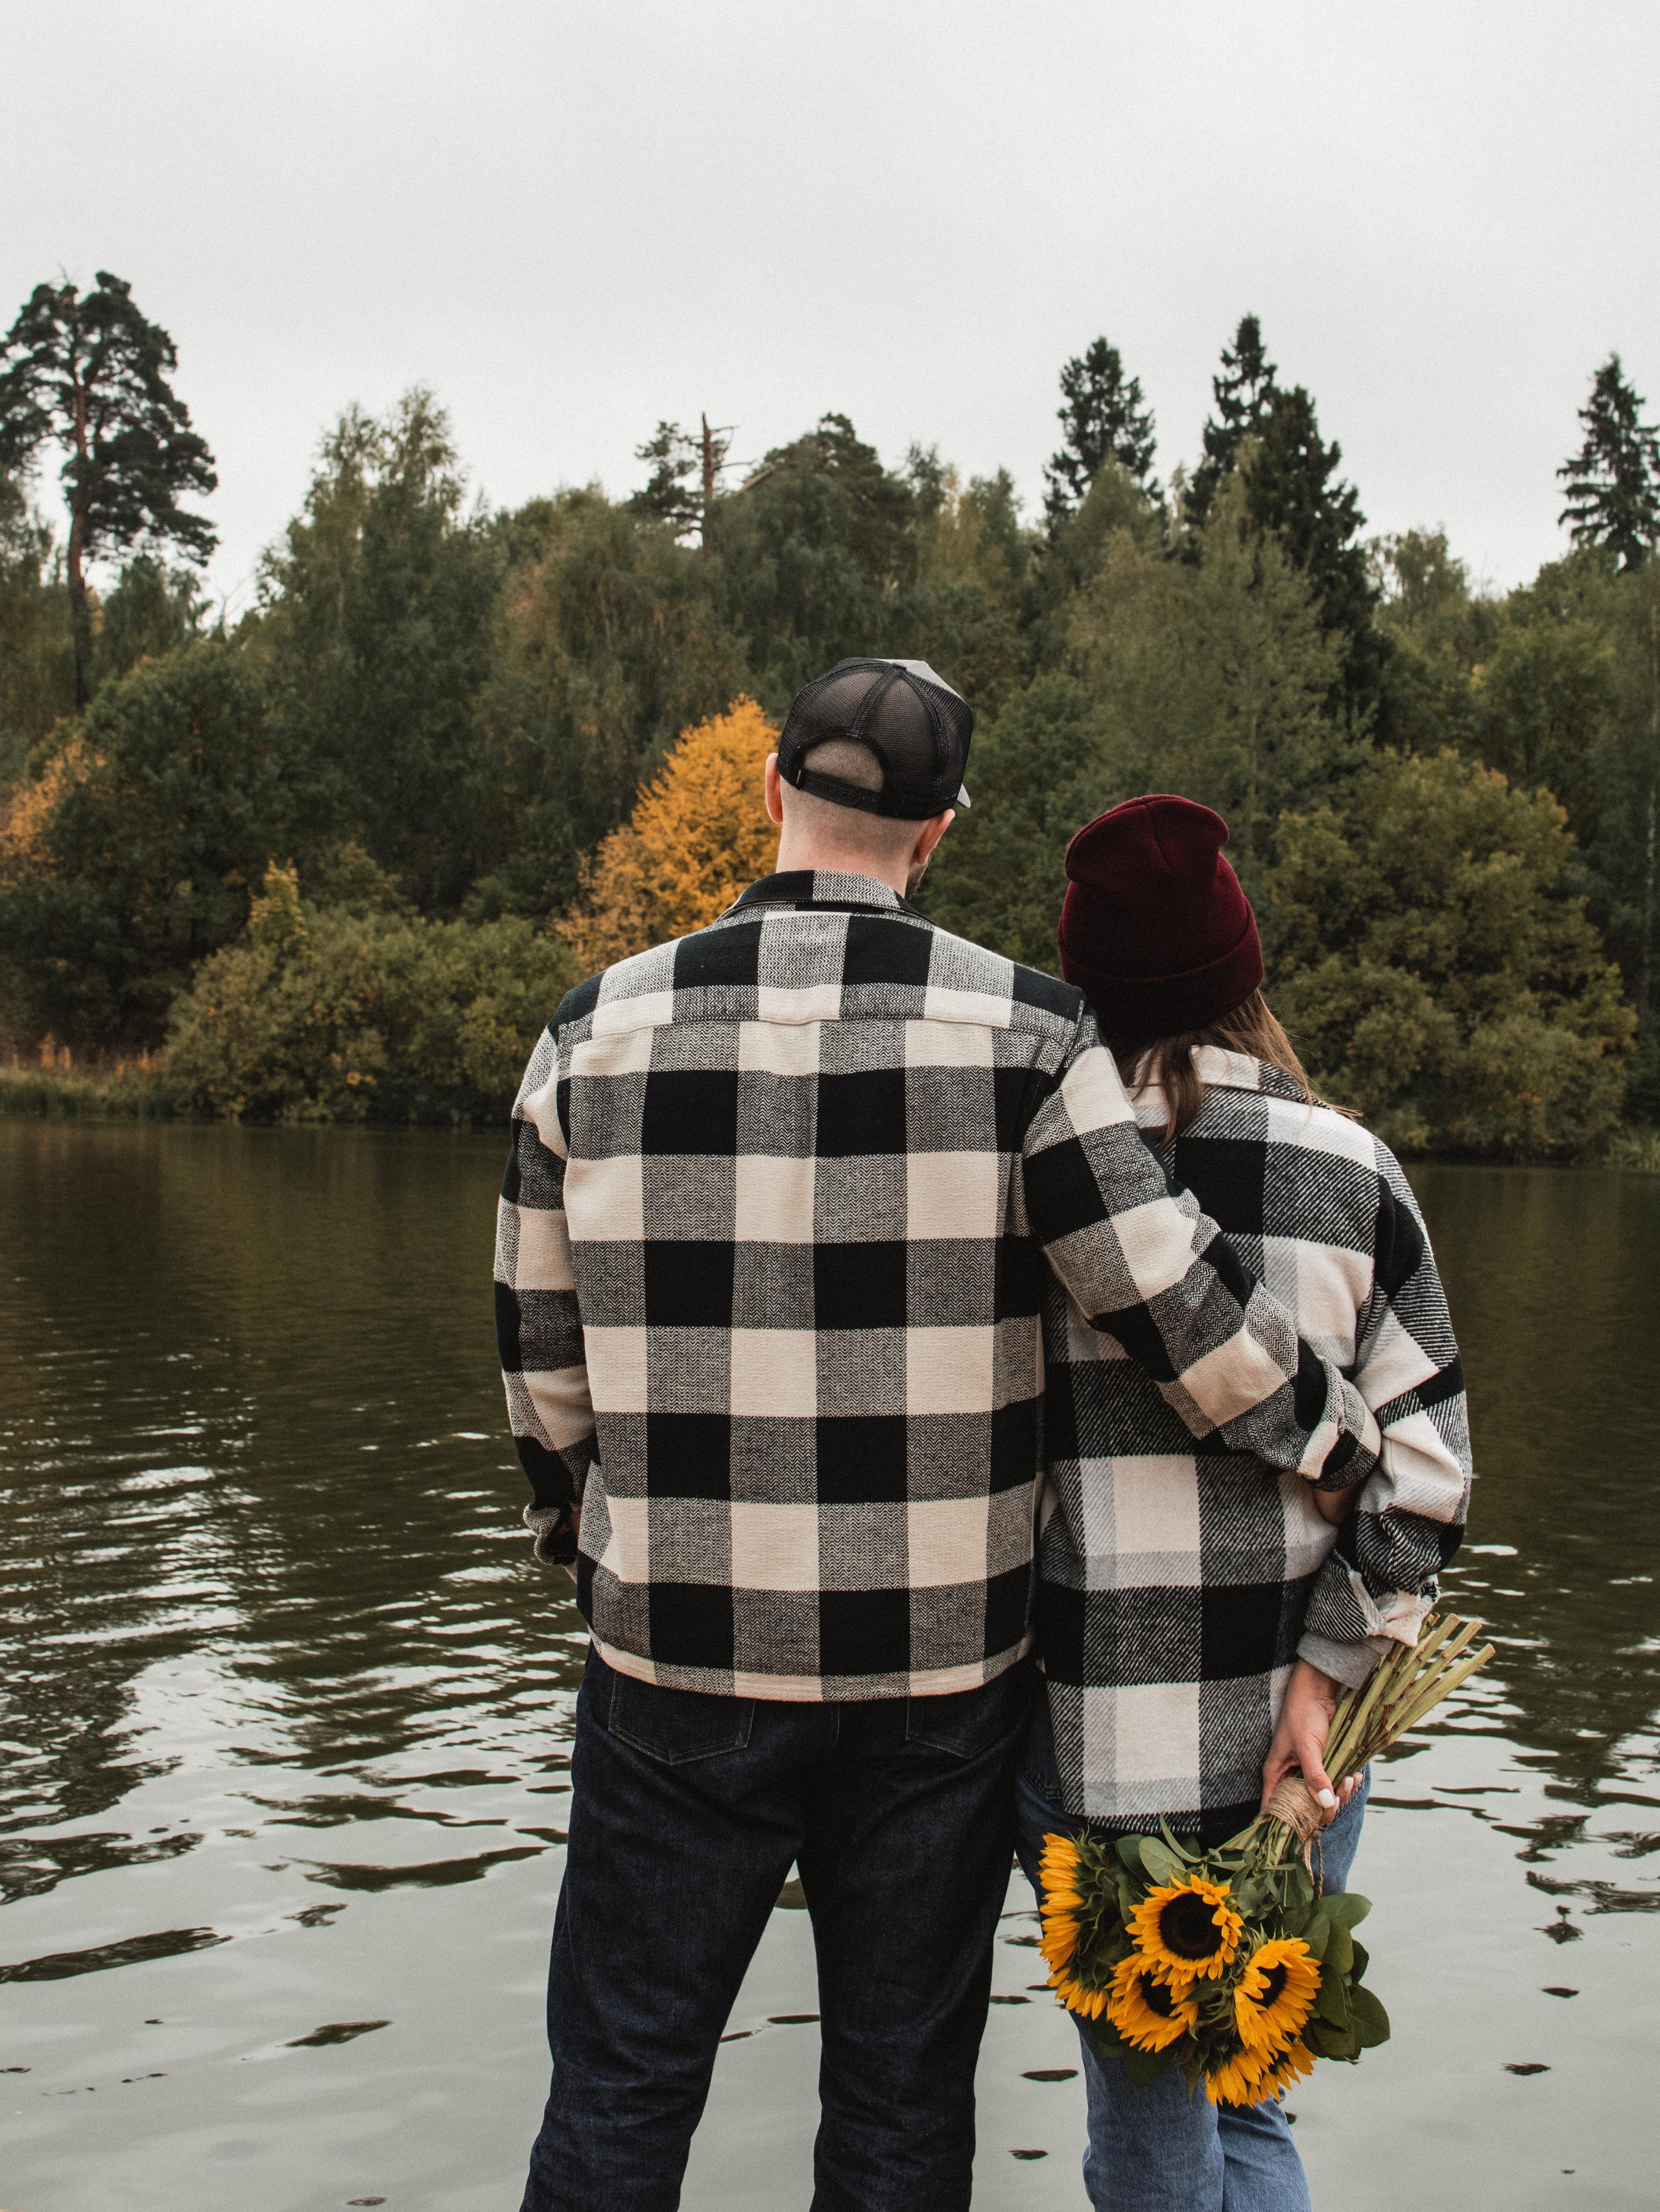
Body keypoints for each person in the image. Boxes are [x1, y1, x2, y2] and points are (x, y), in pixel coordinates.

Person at [493, 662, 1385, 2212]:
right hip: (933, 1681)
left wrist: (597, 1552)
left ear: (771, 790)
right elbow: (1171, 1310)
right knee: (897, 2110)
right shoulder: (1031, 1033)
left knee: (619, 2089)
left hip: (671, 1657)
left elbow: (538, 1362)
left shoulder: (592, 1029)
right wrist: (1343, 1442)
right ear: (939, 832)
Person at [1018, 794, 1472, 2212]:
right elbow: (1431, 1469)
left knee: (1146, 2126)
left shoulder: (1031, 1179)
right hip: (1301, 1728)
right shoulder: (1355, 1169)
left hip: (1090, 1732)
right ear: (1242, 967)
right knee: (1250, 2093)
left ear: (1086, 983)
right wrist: (1329, 1670)